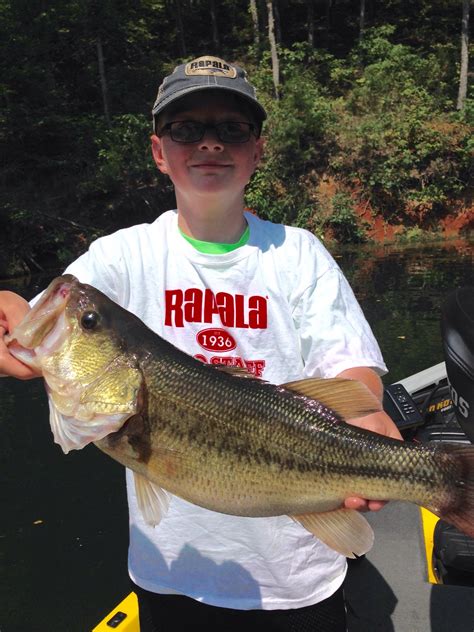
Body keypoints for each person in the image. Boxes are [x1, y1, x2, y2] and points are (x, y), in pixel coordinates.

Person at [0, 55, 402, 631]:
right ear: (160, 152)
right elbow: (29, 339)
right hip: (172, 576)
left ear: (257, 151)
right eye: (186, 129)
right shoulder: (120, 258)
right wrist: (10, 316)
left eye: (231, 129)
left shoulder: (299, 253)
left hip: (295, 576)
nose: (209, 143)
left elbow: (353, 374)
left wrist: (367, 417)